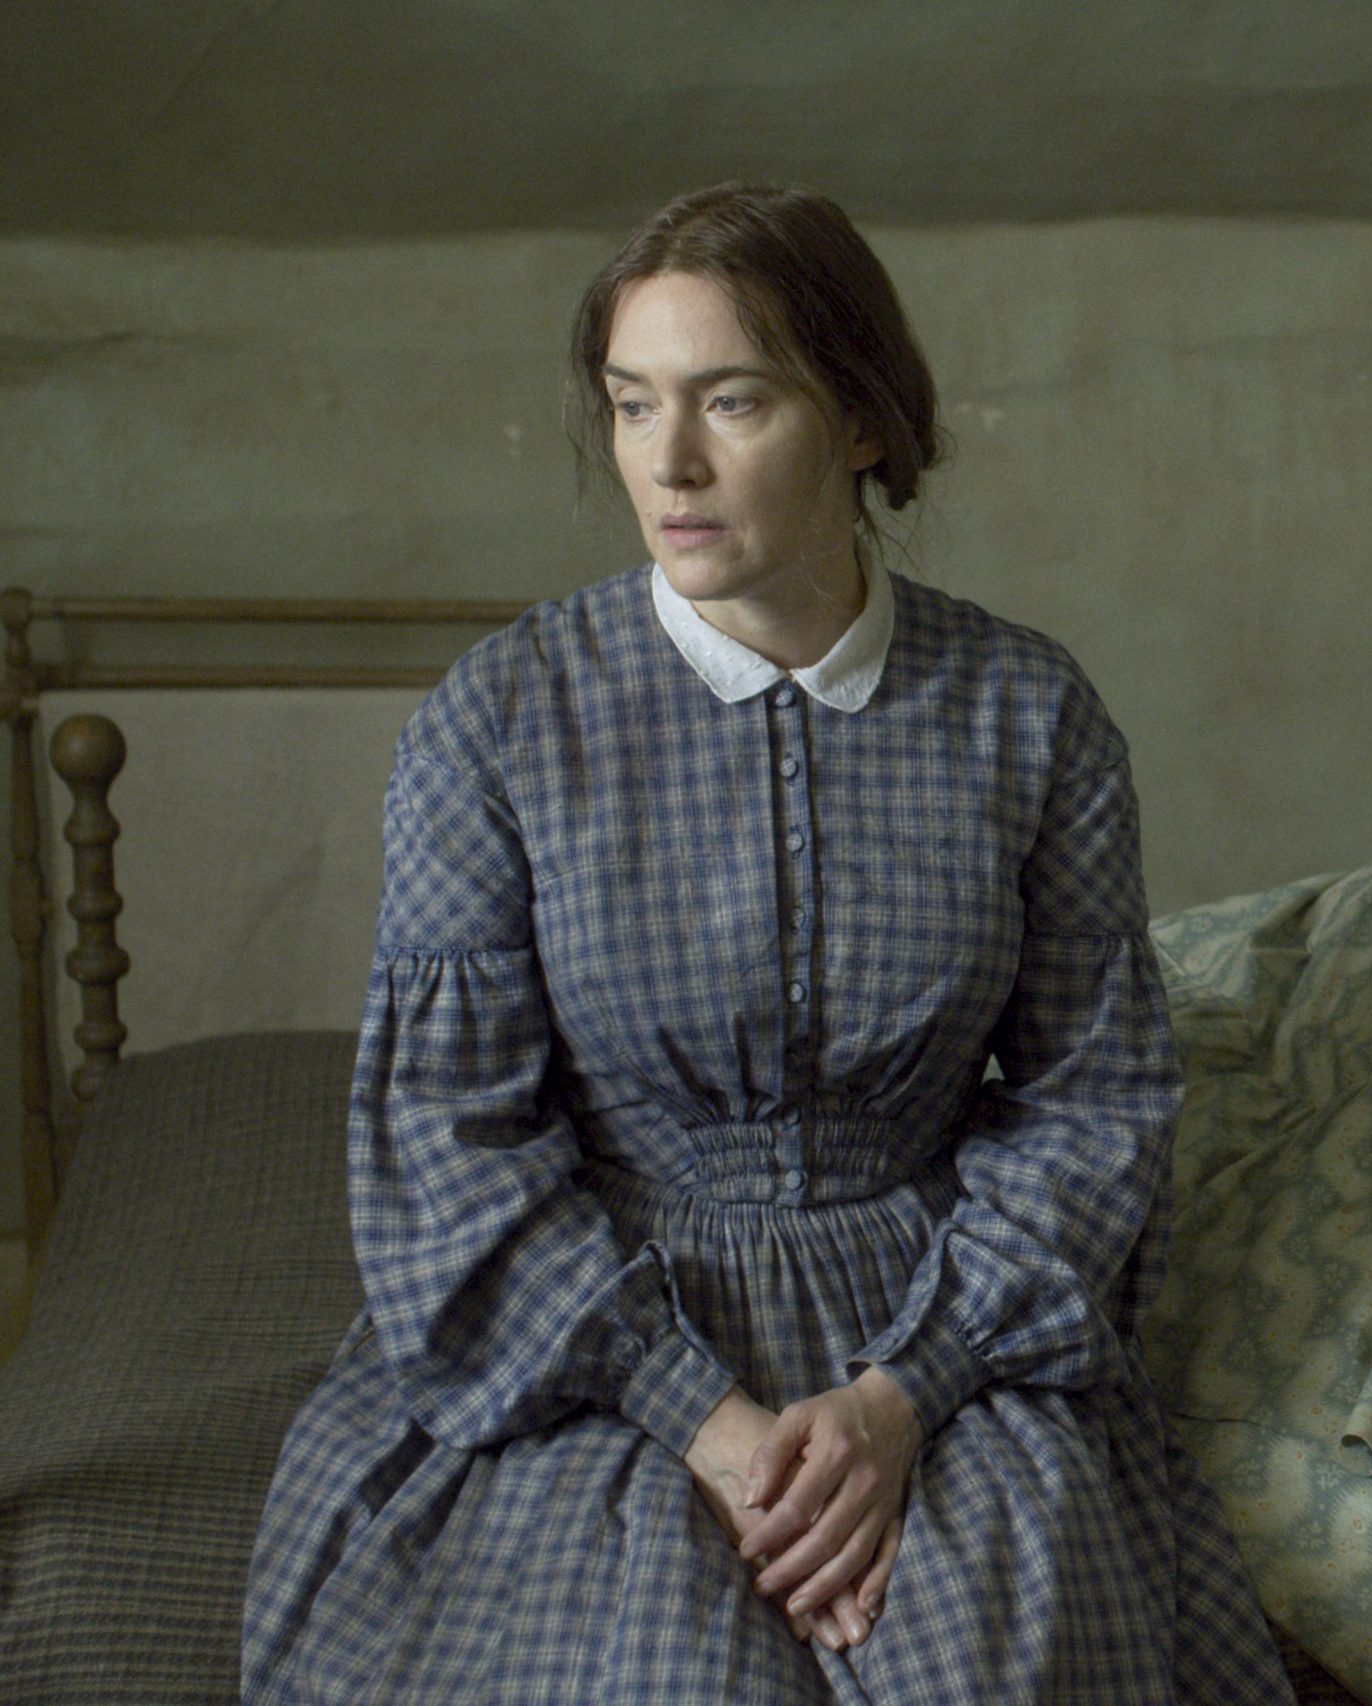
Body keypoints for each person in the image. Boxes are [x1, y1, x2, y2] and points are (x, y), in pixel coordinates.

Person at [240, 182, 1293, 1703]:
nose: (667, 462)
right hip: (598, 1335)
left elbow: (1094, 1098)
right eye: (632, 405)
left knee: (997, 1657)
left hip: (935, 1328)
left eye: (730, 401)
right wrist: (711, 1426)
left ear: (860, 420)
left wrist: (904, 1396)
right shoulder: (500, 721)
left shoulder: (1028, 714)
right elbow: (448, 1145)